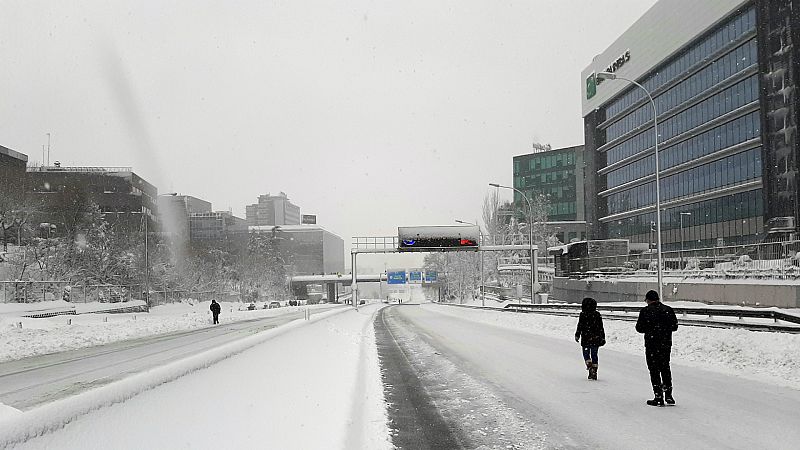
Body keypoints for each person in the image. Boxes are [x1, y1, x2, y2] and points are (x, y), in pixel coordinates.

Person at [636, 290, 679, 406]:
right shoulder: (668, 310)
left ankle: (658, 396)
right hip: (665, 344)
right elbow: (675, 326)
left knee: (654, 370)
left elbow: (639, 328)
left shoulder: (645, 311)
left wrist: (650, 328)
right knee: (665, 368)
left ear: (648, 300)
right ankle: (669, 394)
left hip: (651, 344)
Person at [574, 297, 605, 380]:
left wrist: (577, 334)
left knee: (586, 354)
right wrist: (602, 337)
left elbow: (579, 326)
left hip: (586, 338)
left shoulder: (583, 315)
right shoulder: (597, 315)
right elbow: (601, 327)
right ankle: (594, 370)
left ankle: (589, 366)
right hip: (596, 338)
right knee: (594, 354)